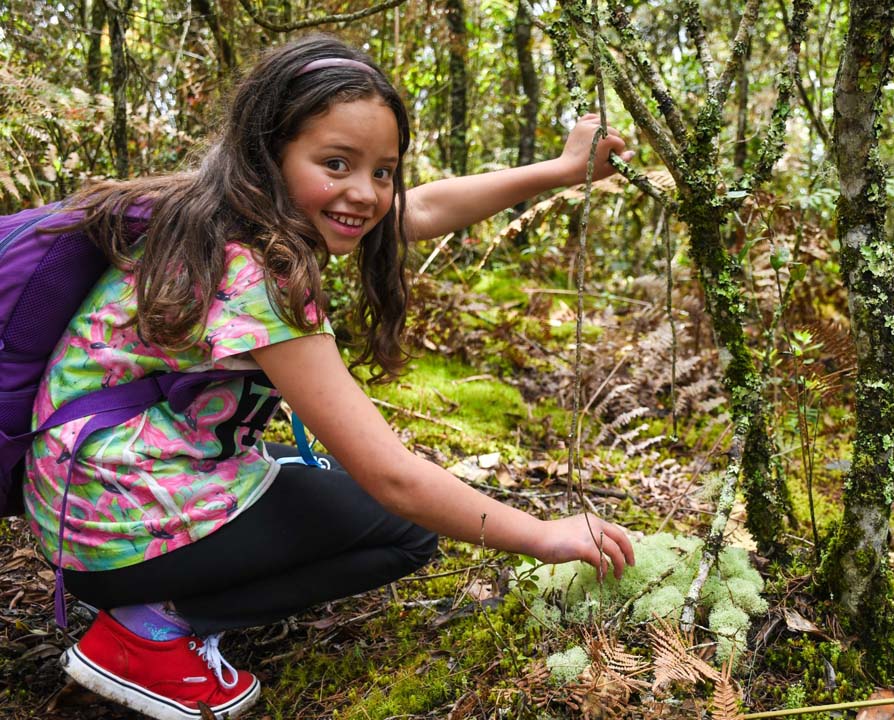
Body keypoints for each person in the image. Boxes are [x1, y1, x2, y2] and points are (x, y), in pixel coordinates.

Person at [24, 34, 636, 720]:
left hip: (84, 487)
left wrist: (558, 169)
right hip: (113, 518)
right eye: (336, 163)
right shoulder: (253, 275)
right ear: (270, 152)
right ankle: (148, 632)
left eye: (382, 170)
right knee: (402, 529)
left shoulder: (210, 213)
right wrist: (542, 535)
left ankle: (154, 606)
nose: (365, 193)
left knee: (327, 489)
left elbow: (422, 209)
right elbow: (394, 477)